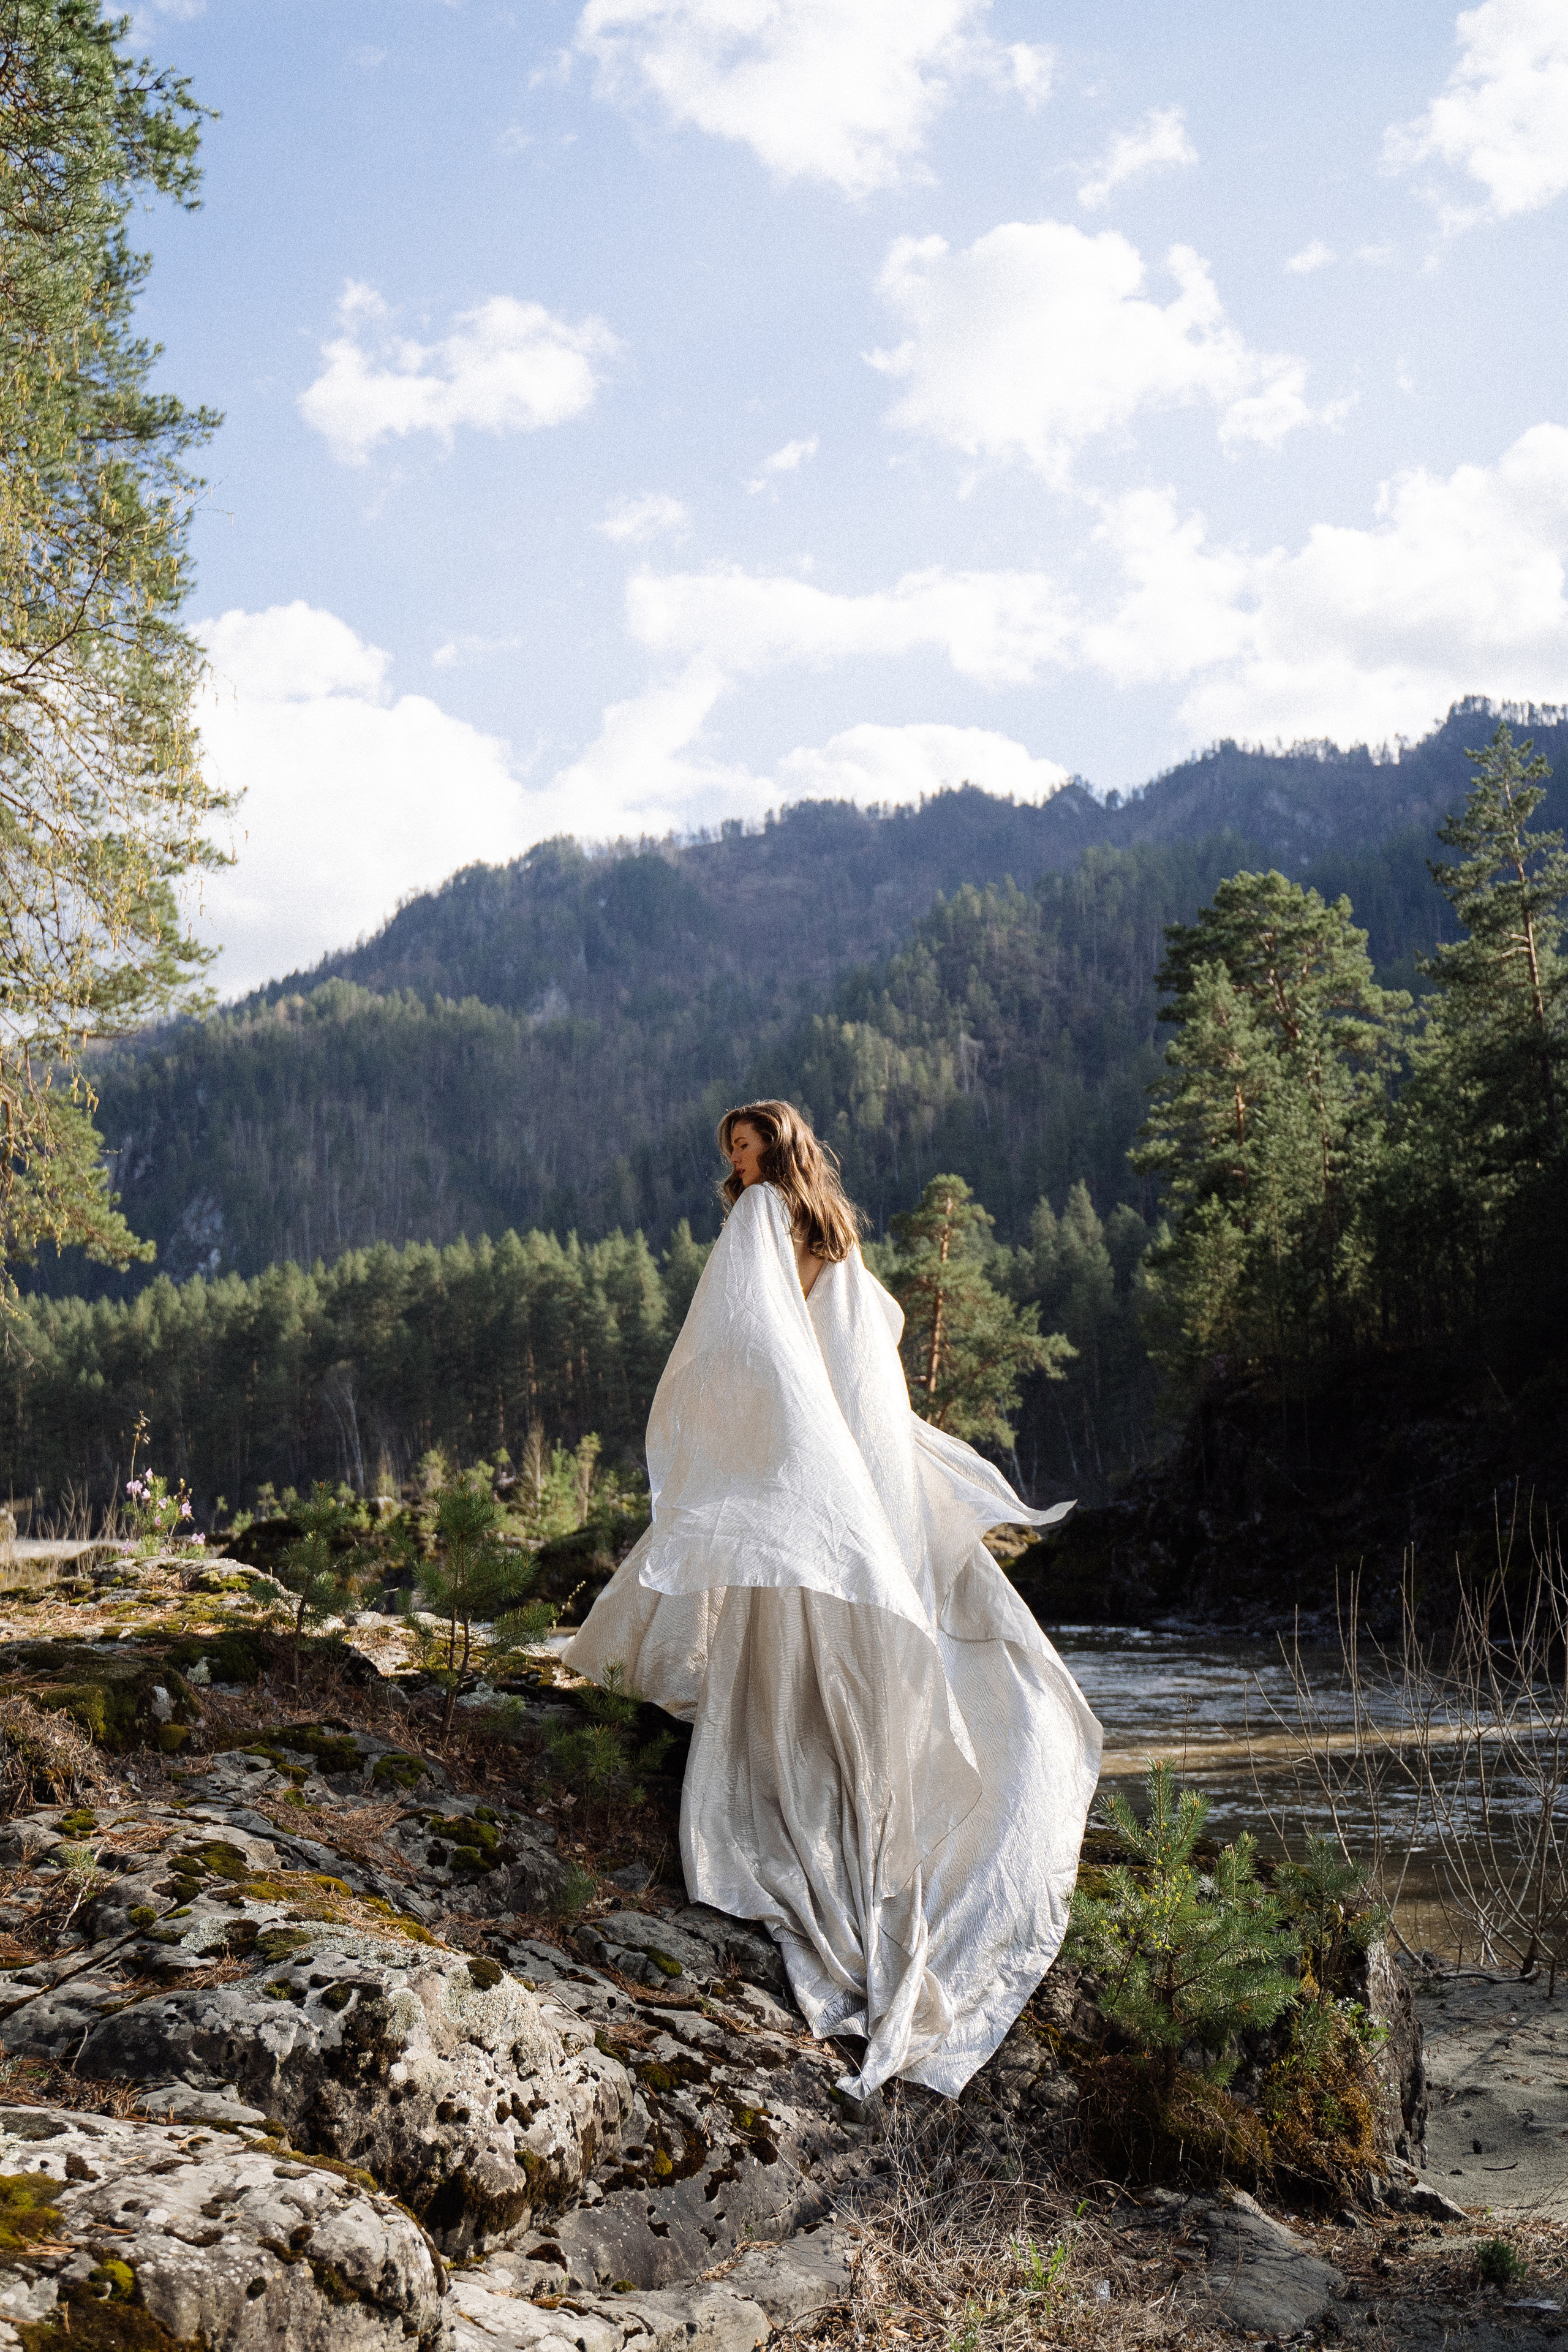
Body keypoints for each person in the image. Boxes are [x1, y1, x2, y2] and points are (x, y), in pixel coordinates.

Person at [565, 1099, 1102, 2101]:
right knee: (845, 1629)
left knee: (802, 1630)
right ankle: (867, 1789)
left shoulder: (764, 1218)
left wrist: (740, 1439)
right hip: (849, 1457)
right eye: (729, 1146)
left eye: (747, 1142)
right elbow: (851, 1345)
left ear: (780, 1145)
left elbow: (744, 1340)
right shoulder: (833, 1229)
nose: (736, 1160)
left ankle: (817, 1791)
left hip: (813, 1453)